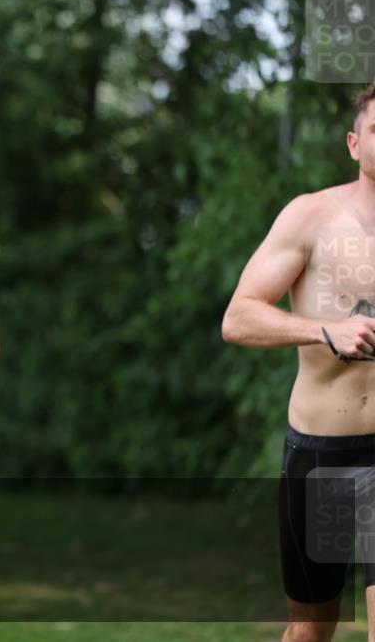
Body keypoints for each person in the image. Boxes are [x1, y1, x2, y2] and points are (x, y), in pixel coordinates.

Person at [222, 83, 375, 642]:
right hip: (321, 453)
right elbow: (238, 318)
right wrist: (324, 330)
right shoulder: (310, 216)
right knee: (312, 626)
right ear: (354, 144)